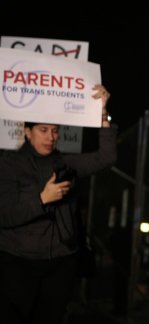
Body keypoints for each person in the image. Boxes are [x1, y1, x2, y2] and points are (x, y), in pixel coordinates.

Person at [0, 84, 117, 324]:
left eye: (54, 130)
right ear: (27, 132)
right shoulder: (9, 164)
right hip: (18, 263)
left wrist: (103, 112)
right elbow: (5, 215)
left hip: (61, 264)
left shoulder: (65, 162)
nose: (50, 137)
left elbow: (107, 157)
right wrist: (42, 199)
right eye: (43, 130)